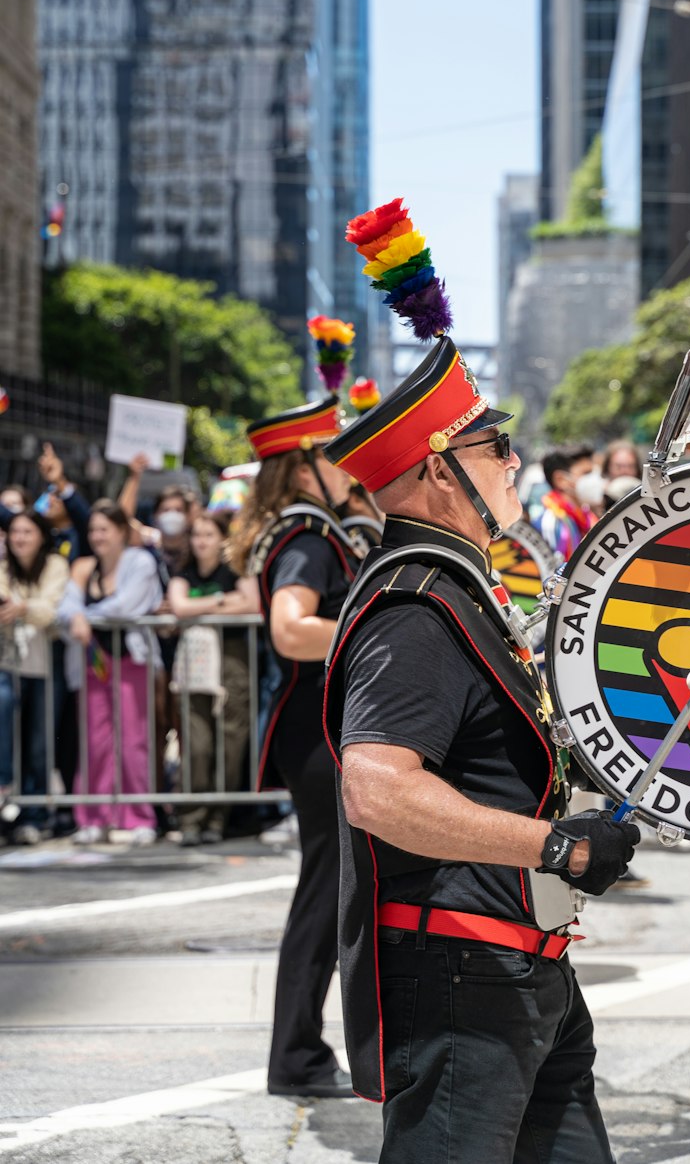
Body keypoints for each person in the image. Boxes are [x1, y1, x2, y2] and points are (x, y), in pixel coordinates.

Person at [324, 196, 639, 1159]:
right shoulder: (418, 606)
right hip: (461, 969)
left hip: (520, 960)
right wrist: (552, 846)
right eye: (492, 447)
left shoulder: (462, 591)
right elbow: (376, 787)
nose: (514, 462)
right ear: (433, 475)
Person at [228, 393, 358, 1099]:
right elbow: (290, 628)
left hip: (318, 729)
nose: (345, 463)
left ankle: (303, 1052)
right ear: (304, 469)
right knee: (325, 891)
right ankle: (297, 1057)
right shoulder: (307, 537)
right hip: (316, 732)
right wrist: (370, 630)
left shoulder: (317, 528)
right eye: (332, 453)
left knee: (331, 888)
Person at [57, 500, 164, 846]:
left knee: (133, 741)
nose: (97, 536)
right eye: (93, 530)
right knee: (95, 742)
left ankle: (138, 817)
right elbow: (65, 606)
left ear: (121, 531)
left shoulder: (141, 561)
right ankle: (93, 817)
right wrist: (76, 616)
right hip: (93, 663)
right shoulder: (85, 567)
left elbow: (127, 606)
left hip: (131, 662)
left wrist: (84, 617)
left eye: (105, 529)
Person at [167, 512, 256, 846]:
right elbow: (178, 606)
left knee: (230, 743)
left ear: (222, 538)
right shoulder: (184, 573)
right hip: (194, 663)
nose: (201, 541)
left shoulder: (235, 570)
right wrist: (223, 600)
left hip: (232, 658)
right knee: (196, 744)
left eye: (208, 534)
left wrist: (198, 606)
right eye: (196, 535)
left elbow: (252, 603)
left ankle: (217, 818)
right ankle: (191, 818)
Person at [0, 511, 69, 843]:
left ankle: (36, 813)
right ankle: (11, 809)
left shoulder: (56, 565)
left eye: (27, 531)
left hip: (46, 665)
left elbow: (50, 608)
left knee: (40, 744)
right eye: (15, 531)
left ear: (41, 535)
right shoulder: (2, 567)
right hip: (9, 665)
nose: (20, 538)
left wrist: (23, 607)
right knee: (9, 736)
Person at [534, 444, 597, 560]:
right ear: (561, 480)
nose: (595, 480)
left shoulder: (587, 518)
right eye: (586, 473)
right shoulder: (551, 525)